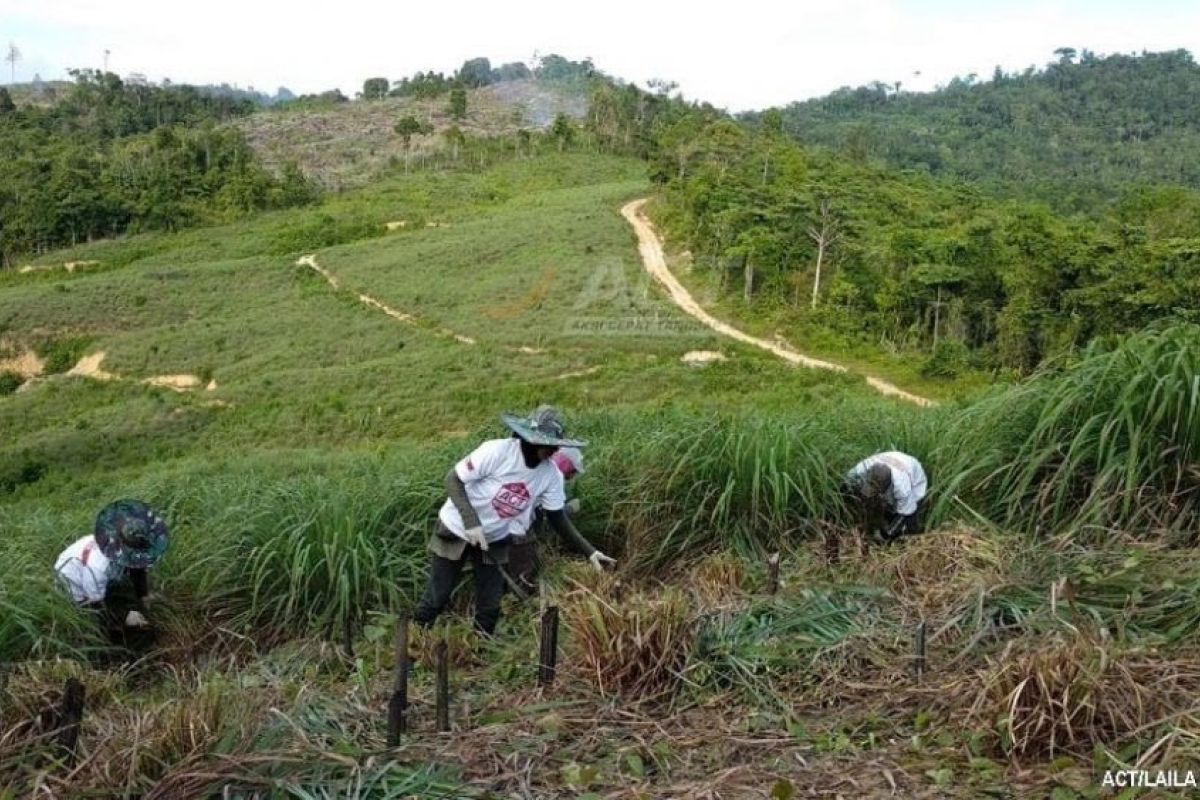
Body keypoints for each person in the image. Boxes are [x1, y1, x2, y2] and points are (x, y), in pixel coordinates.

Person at [413, 406, 615, 635]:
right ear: (530, 440)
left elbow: (557, 518)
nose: (553, 450)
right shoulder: (497, 452)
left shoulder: (551, 475)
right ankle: (413, 649)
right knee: (437, 597)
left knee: (490, 605)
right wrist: (471, 522)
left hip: (494, 539)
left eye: (555, 445)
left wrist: (589, 552)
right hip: (457, 528)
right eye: (547, 445)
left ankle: (479, 650)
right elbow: (453, 479)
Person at [54, 499, 170, 647]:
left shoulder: (125, 543)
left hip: (95, 571)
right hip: (74, 582)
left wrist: (144, 596)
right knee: (100, 621)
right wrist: (125, 617)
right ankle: (112, 642)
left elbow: (138, 568)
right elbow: (96, 605)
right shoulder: (98, 568)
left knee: (125, 592)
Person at [507, 446, 589, 596]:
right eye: (572, 472)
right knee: (523, 567)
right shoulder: (551, 476)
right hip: (515, 527)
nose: (572, 476)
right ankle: (519, 600)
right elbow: (550, 515)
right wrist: (569, 509)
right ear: (566, 466)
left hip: (515, 524)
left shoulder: (545, 472)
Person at [842, 451, 928, 542]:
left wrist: (886, 535)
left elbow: (905, 513)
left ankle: (910, 538)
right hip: (893, 458)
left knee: (907, 517)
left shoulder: (902, 488)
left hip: (914, 477)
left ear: (887, 486)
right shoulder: (862, 468)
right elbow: (846, 483)